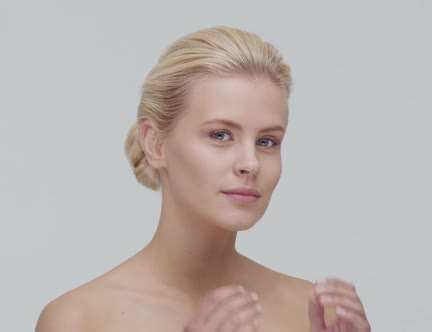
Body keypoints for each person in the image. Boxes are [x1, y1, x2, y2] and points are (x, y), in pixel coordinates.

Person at [35, 26, 371, 332]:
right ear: (155, 144)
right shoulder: (79, 320)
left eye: (267, 141)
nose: (250, 163)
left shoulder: (312, 312)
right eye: (221, 135)